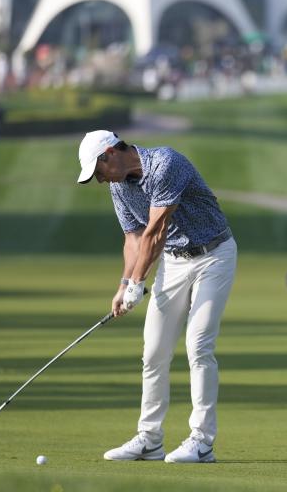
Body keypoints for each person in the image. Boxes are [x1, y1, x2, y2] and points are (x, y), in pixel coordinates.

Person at [77, 130, 237, 464]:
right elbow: (133, 238)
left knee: (198, 344)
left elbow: (156, 229)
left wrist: (139, 281)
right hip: (175, 263)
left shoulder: (166, 163)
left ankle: (202, 441)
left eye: (98, 171)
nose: (100, 181)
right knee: (154, 351)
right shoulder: (119, 187)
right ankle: (150, 439)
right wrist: (124, 284)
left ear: (110, 153)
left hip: (214, 255)